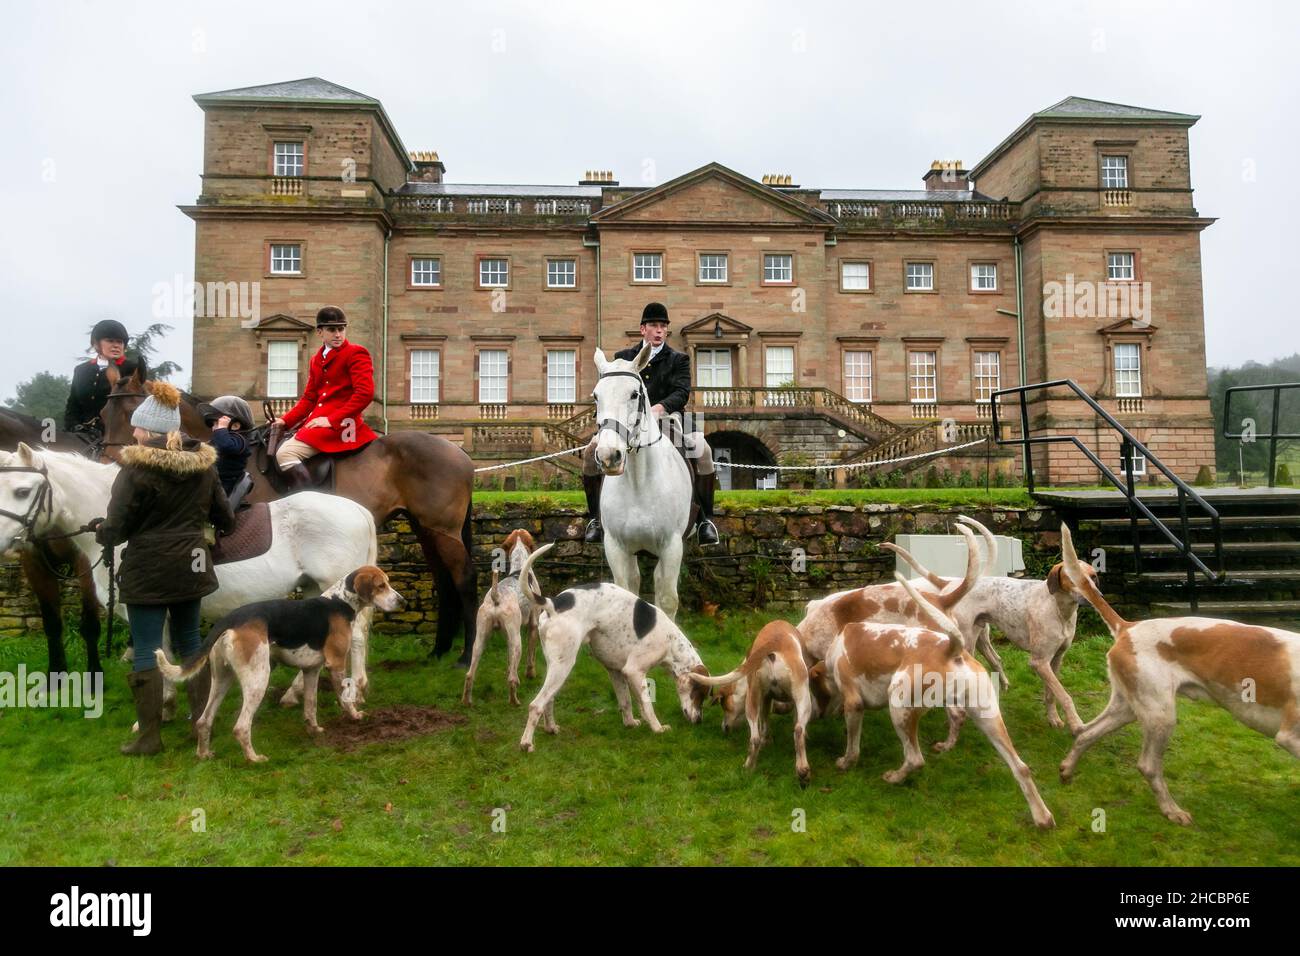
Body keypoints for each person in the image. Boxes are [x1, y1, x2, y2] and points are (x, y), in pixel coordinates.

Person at [95, 379, 234, 755]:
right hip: (192, 564)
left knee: (147, 648)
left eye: (138, 426)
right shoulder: (204, 467)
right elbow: (226, 518)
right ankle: (198, 726)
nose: (134, 432)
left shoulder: (135, 470)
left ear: (151, 430)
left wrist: (101, 532)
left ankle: (149, 737)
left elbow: (117, 527)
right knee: (191, 643)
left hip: (148, 568)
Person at [582, 302, 719, 545]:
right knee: (590, 452)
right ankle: (595, 519)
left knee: (703, 449)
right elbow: (612, 392)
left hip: (669, 417)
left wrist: (659, 408)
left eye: (663, 327)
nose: (659, 331)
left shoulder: (679, 359)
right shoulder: (623, 357)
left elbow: (682, 392)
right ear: (642, 329)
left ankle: (705, 521)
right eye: (654, 326)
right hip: (628, 421)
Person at [273, 306, 378, 491]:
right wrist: (285, 420)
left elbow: (365, 394)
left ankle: (310, 503)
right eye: (332, 330)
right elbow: (309, 399)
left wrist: (331, 420)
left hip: (342, 425)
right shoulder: (316, 359)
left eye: (341, 329)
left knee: (285, 453)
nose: (338, 334)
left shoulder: (356, 353)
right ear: (320, 332)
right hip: (319, 422)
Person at [64, 319, 133, 440]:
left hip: (116, 437)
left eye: (120, 342)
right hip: (81, 435)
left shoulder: (132, 369)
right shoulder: (81, 370)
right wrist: (74, 427)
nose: (116, 345)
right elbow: (72, 406)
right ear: (96, 344)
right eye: (110, 341)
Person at [197, 395, 254, 502]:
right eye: (213, 424)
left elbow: (226, 446)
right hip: (214, 478)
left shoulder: (238, 439)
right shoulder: (219, 438)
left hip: (227, 482)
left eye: (218, 424)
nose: (214, 428)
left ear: (235, 426)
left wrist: (221, 429)